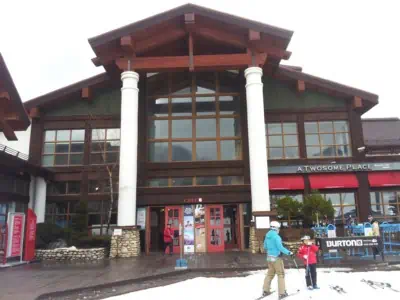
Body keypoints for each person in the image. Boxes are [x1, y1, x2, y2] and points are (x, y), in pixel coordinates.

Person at [262, 221, 293, 299]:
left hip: (269, 257)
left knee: (270, 274)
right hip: (276, 258)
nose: (279, 229)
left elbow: (265, 246)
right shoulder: (276, 237)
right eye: (278, 228)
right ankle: (282, 293)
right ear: (276, 228)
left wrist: (271, 248)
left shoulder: (267, 235)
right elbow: (280, 248)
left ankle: (265, 290)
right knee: (280, 274)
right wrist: (289, 252)